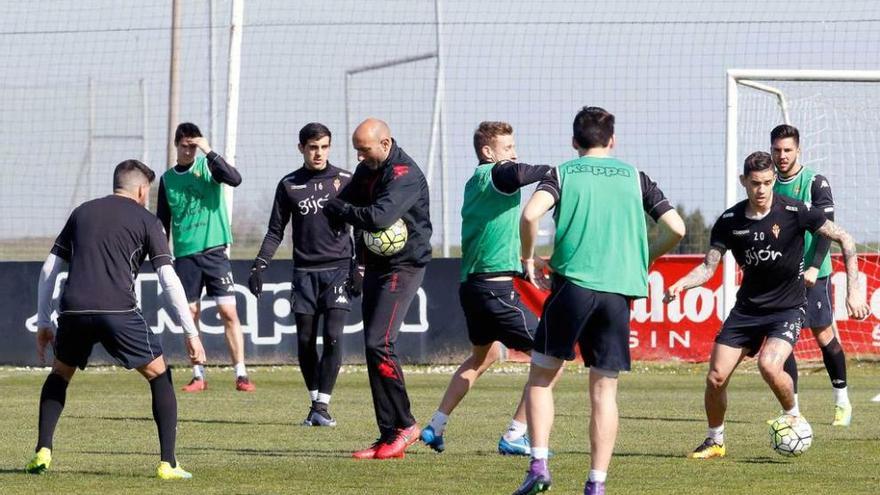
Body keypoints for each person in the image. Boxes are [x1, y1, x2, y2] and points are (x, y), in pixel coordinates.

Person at [514, 107, 685, 495]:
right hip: (618, 292)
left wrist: (527, 258)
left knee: (541, 379)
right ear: (613, 140)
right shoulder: (635, 177)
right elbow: (677, 228)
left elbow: (529, 215)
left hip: (572, 285)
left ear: (574, 141)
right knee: (604, 391)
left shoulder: (562, 173)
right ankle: (596, 484)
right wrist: (645, 256)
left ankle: (539, 464)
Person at [665, 151, 869, 460]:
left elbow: (846, 239)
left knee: (769, 365)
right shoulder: (730, 221)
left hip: (787, 308)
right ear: (743, 182)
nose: (761, 190)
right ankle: (715, 440)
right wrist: (682, 284)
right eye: (755, 183)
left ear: (773, 180)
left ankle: (793, 417)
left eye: (767, 183)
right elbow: (709, 267)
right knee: (716, 377)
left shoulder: (794, 210)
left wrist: (853, 291)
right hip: (747, 311)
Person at [27, 159, 206, 479]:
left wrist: (43, 321)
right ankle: (169, 463)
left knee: (60, 374)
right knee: (159, 375)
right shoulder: (148, 221)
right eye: (147, 191)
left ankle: (43, 450)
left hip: (74, 311)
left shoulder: (81, 212)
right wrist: (190, 332)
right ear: (141, 189)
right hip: (118, 312)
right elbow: (168, 278)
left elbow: (48, 270)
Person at [421, 121, 550, 456]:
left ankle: (435, 425)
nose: (515, 154)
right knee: (552, 355)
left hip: (475, 286)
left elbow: (493, 239)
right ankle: (515, 435)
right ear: (488, 152)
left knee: (486, 354)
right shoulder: (495, 174)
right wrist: (561, 172)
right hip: (493, 290)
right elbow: (520, 174)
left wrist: (528, 264)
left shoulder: (476, 183)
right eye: (508, 148)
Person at [323, 118, 432, 460]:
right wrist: (343, 209)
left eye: (364, 149)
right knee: (373, 349)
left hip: (404, 266)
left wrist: (343, 209)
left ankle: (406, 426)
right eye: (356, 150)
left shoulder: (405, 175)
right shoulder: (369, 169)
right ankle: (388, 435)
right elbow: (343, 204)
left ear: (385, 144)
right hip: (377, 265)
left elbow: (378, 218)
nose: (359, 157)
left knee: (379, 342)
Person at [248, 123, 354, 426]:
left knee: (333, 337)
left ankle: (323, 405)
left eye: (323, 146)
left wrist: (359, 268)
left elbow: (361, 224)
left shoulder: (346, 181)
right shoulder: (289, 185)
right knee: (306, 341)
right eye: (312, 147)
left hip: (338, 269)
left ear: (329, 147)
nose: (318, 153)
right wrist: (259, 265)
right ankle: (315, 404)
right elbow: (274, 232)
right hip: (304, 273)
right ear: (302, 149)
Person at [157, 122, 254, 392]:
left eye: (194, 145)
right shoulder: (167, 180)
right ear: (176, 145)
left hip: (215, 252)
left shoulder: (208, 167)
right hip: (186, 256)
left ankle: (241, 373)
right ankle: (198, 374)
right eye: (185, 146)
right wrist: (160, 256)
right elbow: (161, 222)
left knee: (228, 311)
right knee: (190, 314)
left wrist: (208, 150)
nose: (190, 151)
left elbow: (234, 178)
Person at [770, 124, 852, 426]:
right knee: (783, 340)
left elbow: (826, 231)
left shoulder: (815, 182)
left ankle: (842, 401)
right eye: (777, 150)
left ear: (798, 151)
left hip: (814, 274)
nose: (782, 156)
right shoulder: (768, 184)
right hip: (783, 276)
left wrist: (815, 266)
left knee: (823, 335)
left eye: (787, 150)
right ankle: (792, 410)